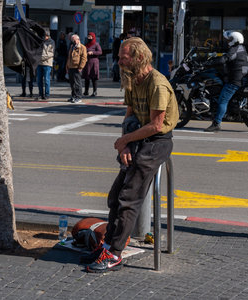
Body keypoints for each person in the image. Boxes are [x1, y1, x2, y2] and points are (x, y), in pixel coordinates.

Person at [84, 37, 179, 273]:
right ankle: (108, 243)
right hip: (136, 137)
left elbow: (157, 126)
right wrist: (125, 145)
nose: (118, 62)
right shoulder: (133, 80)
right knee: (115, 196)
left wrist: (126, 140)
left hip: (156, 142)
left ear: (138, 58)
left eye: (122, 58)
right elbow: (129, 117)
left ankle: (115, 253)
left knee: (129, 197)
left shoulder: (157, 83)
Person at [204, 31, 248, 132]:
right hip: (239, 78)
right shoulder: (241, 48)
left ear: (234, 40)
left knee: (222, 100)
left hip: (235, 81)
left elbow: (225, 59)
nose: (227, 41)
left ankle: (217, 123)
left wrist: (210, 63)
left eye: (229, 39)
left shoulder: (235, 49)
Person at [66, 34, 87, 103]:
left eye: (74, 40)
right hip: (71, 67)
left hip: (77, 67)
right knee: (72, 83)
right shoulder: (72, 46)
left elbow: (84, 58)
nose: (73, 41)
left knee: (77, 83)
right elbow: (69, 57)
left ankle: (78, 97)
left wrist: (81, 67)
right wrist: (67, 66)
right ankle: (73, 96)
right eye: (72, 40)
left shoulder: (82, 47)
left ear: (78, 39)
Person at [36, 29, 55, 100]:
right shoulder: (40, 41)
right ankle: (40, 94)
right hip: (40, 63)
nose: (44, 37)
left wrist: (41, 57)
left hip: (47, 63)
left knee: (47, 80)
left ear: (48, 35)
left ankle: (47, 94)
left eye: (45, 36)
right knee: (39, 80)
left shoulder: (52, 42)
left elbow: (51, 53)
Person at [82, 32, 102, 97]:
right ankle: (86, 91)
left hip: (94, 62)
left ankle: (94, 91)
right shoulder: (86, 44)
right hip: (87, 63)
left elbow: (100, 52)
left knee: (94, 77)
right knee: (86, 77)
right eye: (88, 36)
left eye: (90, 37)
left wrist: (92, 52)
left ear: (93, 37)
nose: (89, 38)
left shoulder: (96, 44)